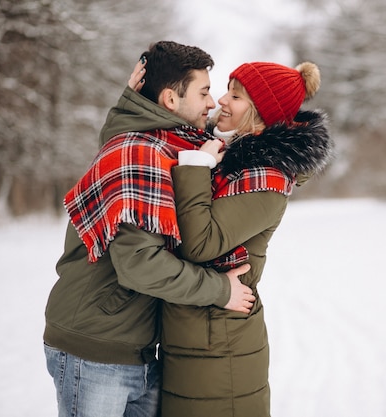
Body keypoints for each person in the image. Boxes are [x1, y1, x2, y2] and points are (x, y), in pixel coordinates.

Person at [43, 40, 256, 417]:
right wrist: (219, 289)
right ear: (171, 101)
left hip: (135, 346)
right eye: (204, 92)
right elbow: (141, 264)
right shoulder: (137, 153)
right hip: (96, 350)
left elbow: (131, 128)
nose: (212, 103)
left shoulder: (158, 141)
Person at [129, 59, 334, 416]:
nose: (222, 100)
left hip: (221, 345)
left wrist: (195, 168)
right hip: (195, 334)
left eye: (236, 96)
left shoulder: (267, 180)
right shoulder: (228, 159)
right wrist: (135, 102)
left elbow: (199, 244)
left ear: (258, 112)